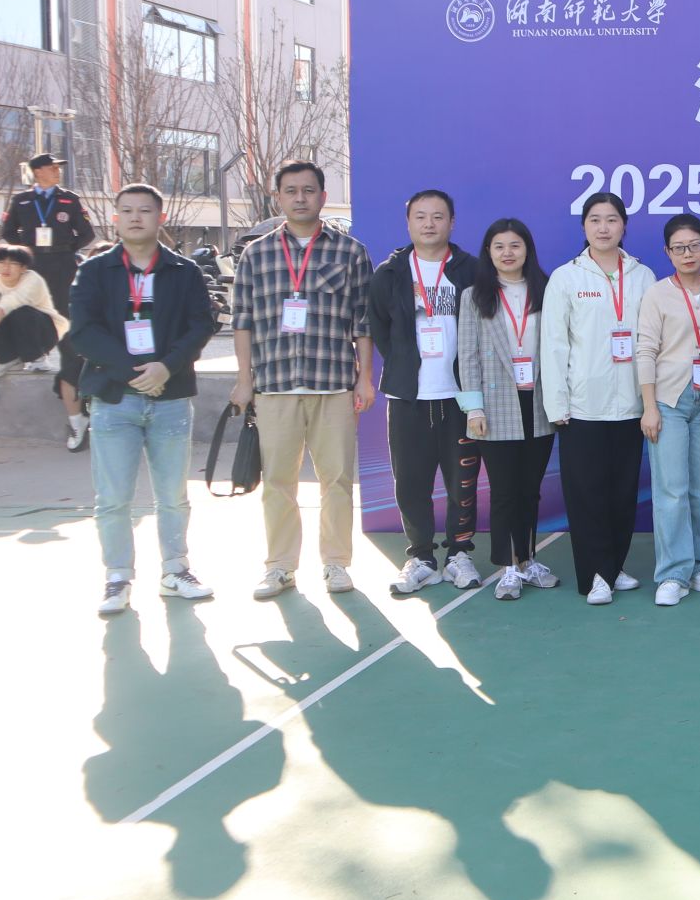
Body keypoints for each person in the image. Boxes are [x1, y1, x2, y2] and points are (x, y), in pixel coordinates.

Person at [67, 184, 216, 615]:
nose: (136, 217)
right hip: (115, 399)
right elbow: (83, 331)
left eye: (145, 210)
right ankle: (117, 577)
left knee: (173, 495)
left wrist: (166, 366)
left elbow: (200, 325)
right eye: (127, 211)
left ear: (160, 217)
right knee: (113, 497)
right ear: (115, 219)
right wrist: (131, 371)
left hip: (170, 397)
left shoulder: (184, 271)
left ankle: (175, 570)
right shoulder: (94, 271)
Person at [230, 160, 376, 599]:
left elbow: (363, 322)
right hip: (275, 385)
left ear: (323, 196)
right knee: (278, 482)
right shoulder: (256, 254)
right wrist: (243, 379)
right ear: (278, 197)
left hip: (333, 383)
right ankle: (280, 566)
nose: (300, 198)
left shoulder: (350, 252)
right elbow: (242, 321)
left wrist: (365, 378)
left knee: (337, 480)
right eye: (291, 190)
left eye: (308, 190)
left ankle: (336, 564)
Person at [368, 190, 481, 596]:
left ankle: (459, 554)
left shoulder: (471, 270)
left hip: (460, 396)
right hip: (408, 398)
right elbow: (380, 328)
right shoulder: (390, 273)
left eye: (438, 216)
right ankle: (421, 557)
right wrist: (404, 364)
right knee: (410, 483)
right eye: (420, 216)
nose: (429, 223)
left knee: (462, 483)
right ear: (409, 223)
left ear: (452, 222)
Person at [541, 191, 648, 605]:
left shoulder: (642, 275)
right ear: (584, 226)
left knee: (622, 494)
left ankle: (614, 566)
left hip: (632, 406)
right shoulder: (566, 277)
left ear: (624, 225)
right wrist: (558, 405)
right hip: (583, 407)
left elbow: (650, 342)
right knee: (587, 496)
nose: (604, 228)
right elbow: (554, 346)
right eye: (595, 220)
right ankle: (595, 575)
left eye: (612, 219)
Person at [457, 217, 562, 600]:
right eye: (499, 246)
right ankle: (508, 567)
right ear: (488, 252)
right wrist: (474, 409)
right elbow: (467, 356)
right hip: (496, 403)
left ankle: (528, 560)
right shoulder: (474, 296)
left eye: (515, 245)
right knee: (504, 490)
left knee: (530, 490)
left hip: (539, 400)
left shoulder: (547, 290)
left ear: (527, 250)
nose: (507, 253)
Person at [637, 214, 700, 607]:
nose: (688, 253)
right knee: (671, 489)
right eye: (679, 248)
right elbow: (645, 351)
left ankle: (698, 564)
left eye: (694, 245)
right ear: (667, 252)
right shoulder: (657, 294)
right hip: (669, 400)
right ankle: (672, 573)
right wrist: (649, 406)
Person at [2, 153, 94, 449]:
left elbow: (87, 233)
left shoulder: (69, 199)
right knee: (30, 309)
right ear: (37, 172)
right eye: (52, 167)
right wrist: (28, 251)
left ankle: (71, 365)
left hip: (62, 263)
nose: (57, 171)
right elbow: (8, 233)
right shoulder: (22, 201)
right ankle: (36, 355)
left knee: (64, 313)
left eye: (58, 167)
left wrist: (64, 247)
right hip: (33, 263)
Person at [0, 243, 66, 406]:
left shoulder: (32, 279)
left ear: (23, 267)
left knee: (21, 311)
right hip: (11, 334)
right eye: (1, 262)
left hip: (43, 334)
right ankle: (7, 357)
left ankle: (36, 357)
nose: (6, 267)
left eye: (13, 263)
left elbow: (10, 303)